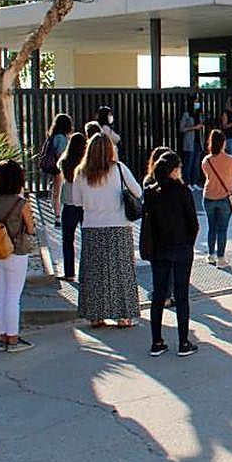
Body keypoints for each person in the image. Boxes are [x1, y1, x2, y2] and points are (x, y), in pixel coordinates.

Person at [72, 133, 142, 328]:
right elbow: (137, 191)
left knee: (95, 273)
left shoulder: (81, 172)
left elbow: (77, 201)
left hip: (92, 226)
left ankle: (96, 315)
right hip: (119, 224)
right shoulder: (119, 169)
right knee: (121, 272)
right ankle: (123, 316)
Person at [141, 150, 199, 357]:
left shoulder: (150, 192)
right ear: (175, 170)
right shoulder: (183, 191)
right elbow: (193, 223)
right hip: (181, 247)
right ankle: (183, 342)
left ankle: (156, 341)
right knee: (182, 296)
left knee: (158, 294)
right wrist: (188, 243)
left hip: (159, 248)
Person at [0, 159, 36, 352]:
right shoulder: (21, 203)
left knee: (2, 294)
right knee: (14, 296)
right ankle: (14, 339)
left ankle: (3, 337)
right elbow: (30, 228)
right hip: (16, 250)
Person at [201, 129, 232, 269]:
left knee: (211, 227)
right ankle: (221, 258)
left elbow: (206, 176)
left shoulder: (206, 160)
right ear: (223, 142)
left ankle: (211, 255)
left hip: (209, 196)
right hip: (225, 197)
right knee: (222, 229)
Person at [55, 132, 87, 281]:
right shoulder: (86, 163)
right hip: (84, 204)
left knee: (68, 240)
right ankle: (86, 273)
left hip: (68, 204)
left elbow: (57, 165)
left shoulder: (64, 161)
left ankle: (69, 273)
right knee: (87, 240)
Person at [43, 114, 74, 220]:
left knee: (56, 190)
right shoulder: (61, 138)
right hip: (59, 168)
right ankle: (57, 216)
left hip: (55, 167)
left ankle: (56, 214)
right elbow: (61, 154)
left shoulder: (53, 136)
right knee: (59, 191)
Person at [178, 98, 205, 187]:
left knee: (196, 164)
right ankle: (187, 182)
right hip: (189, 142)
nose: (197, 103)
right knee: (188, 163)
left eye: (198, 102)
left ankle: (195, 182)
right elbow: (182, 128)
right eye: (195, 102)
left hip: (198, 141)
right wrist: (193, 127)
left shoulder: (199, 114)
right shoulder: (186, 114)